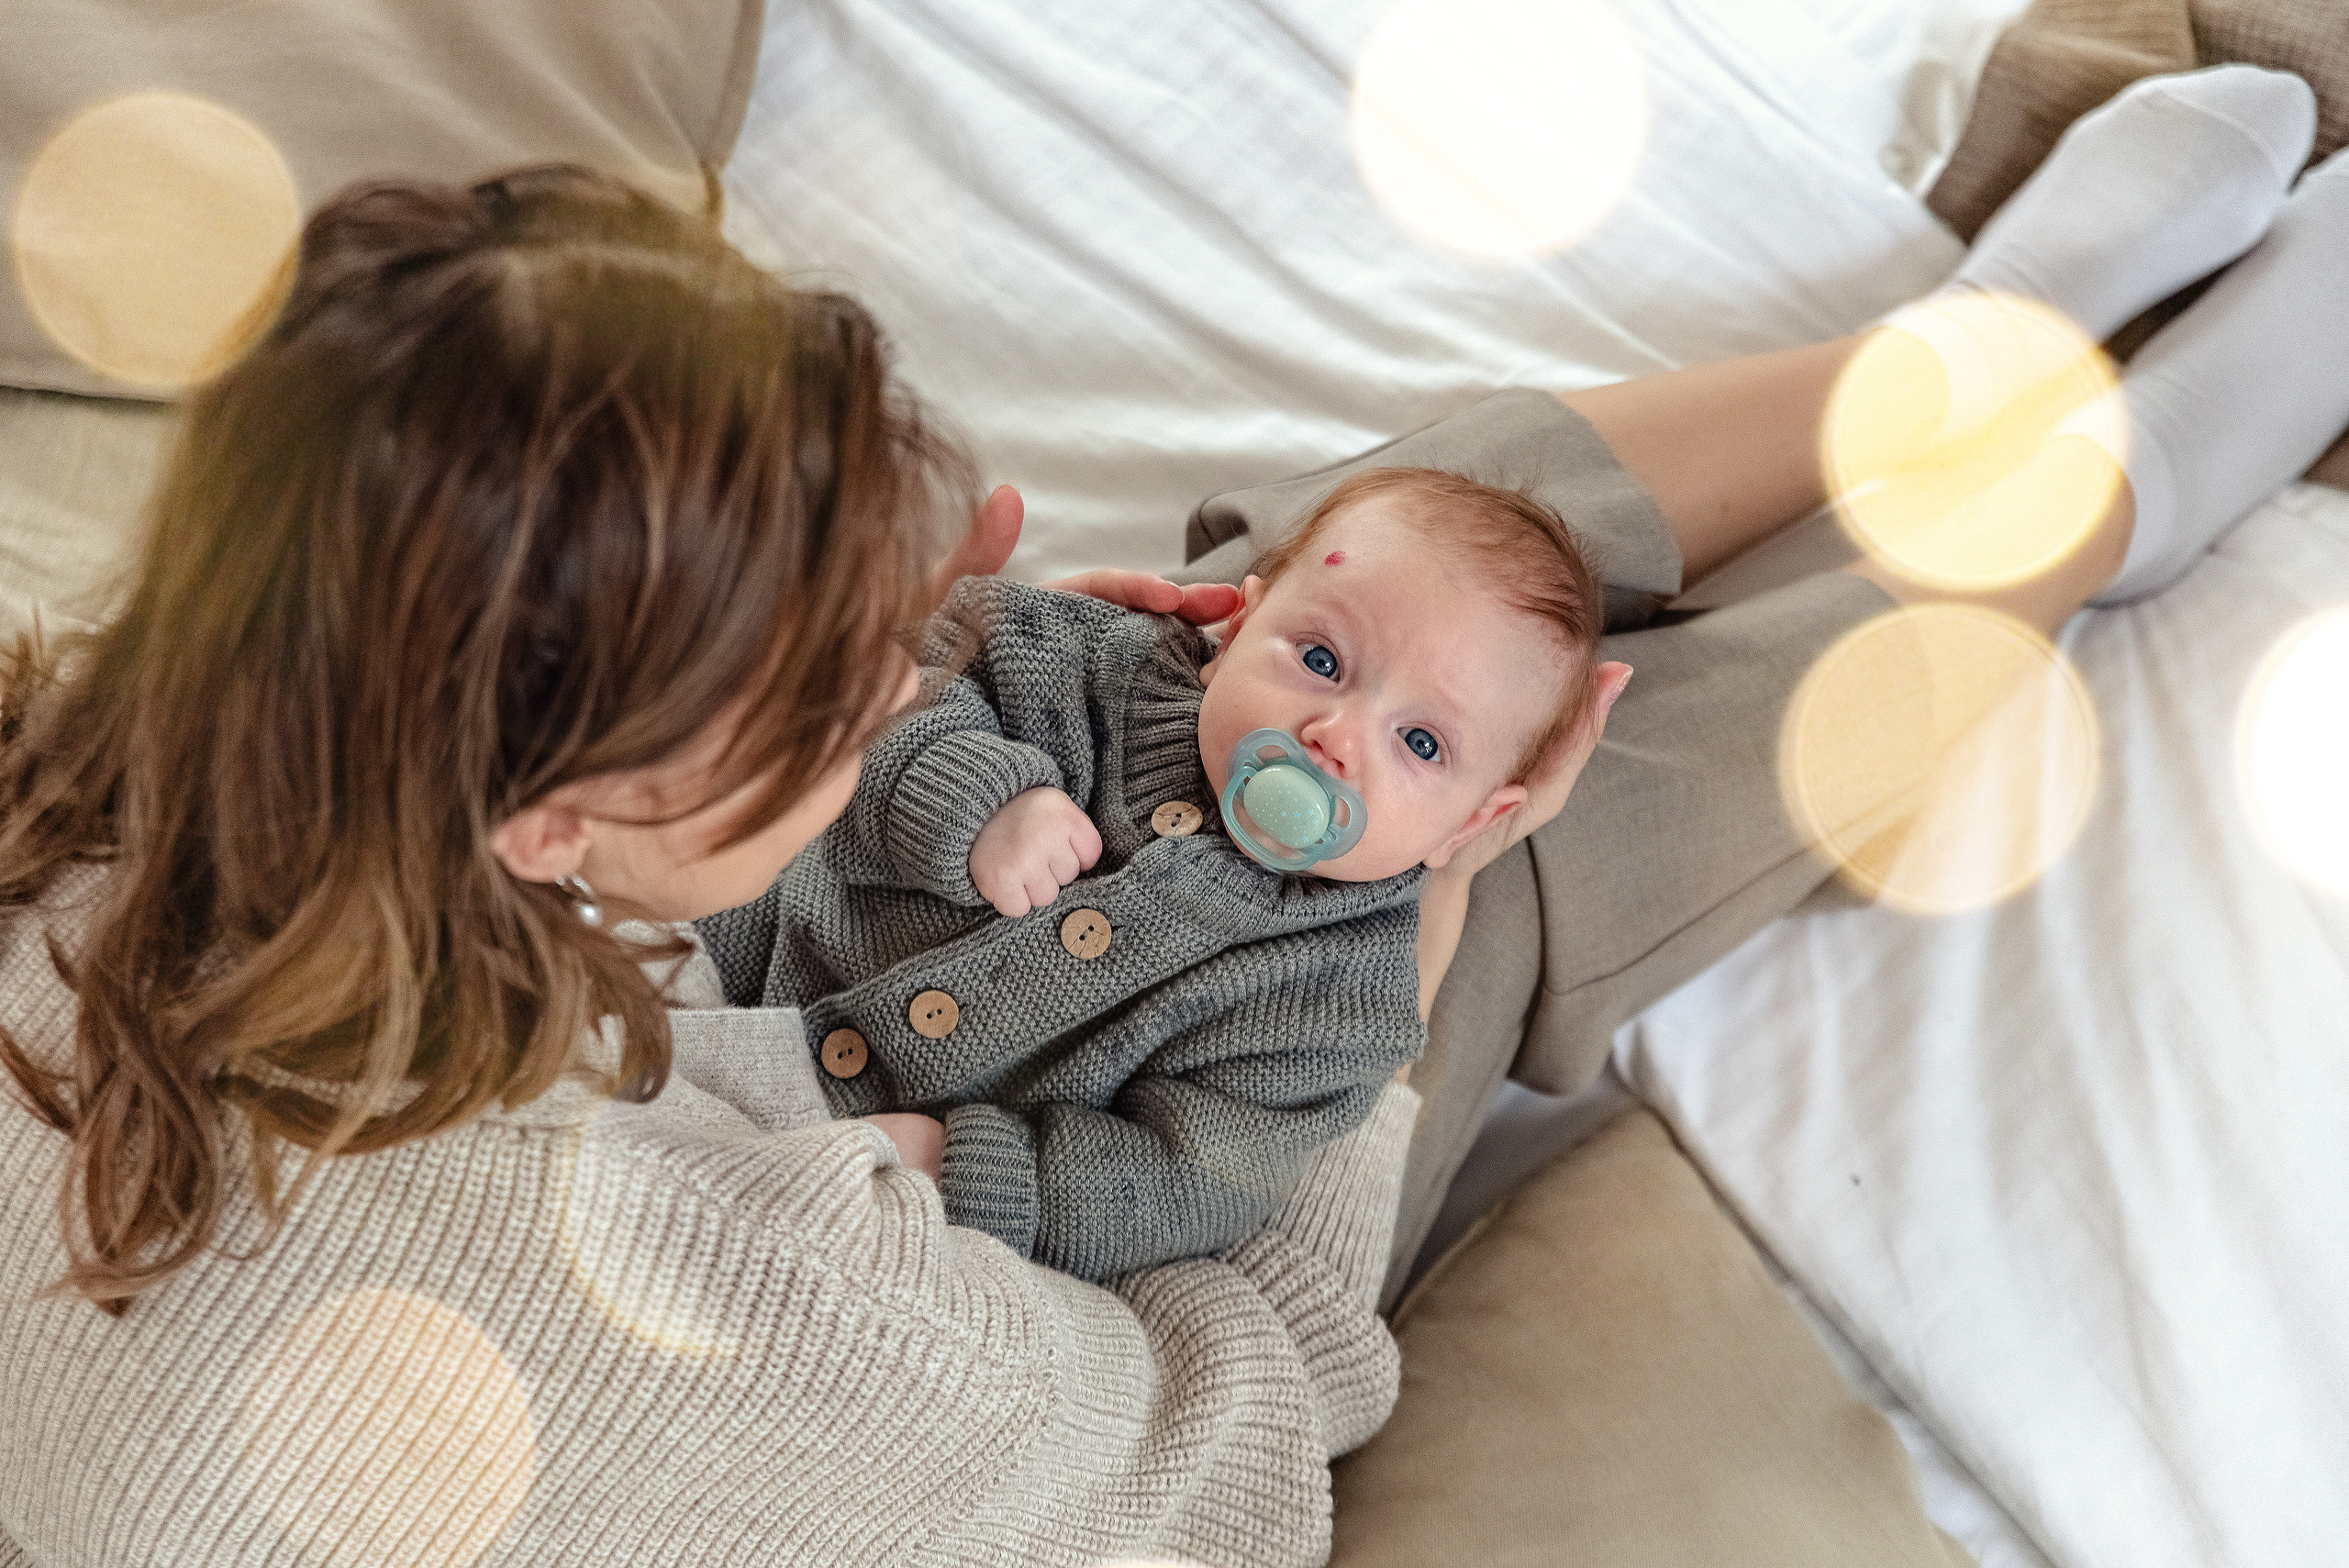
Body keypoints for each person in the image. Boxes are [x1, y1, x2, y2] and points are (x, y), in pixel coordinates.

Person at [3, 57, 2343, 1564]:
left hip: (797, 1005)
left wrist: (1076, 667)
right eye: (848, 666)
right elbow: (1227, 1464)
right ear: (566, 811)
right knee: (1467, 806)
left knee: (1334, 605)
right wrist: (1391, 1023)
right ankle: (2108, 491)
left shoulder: (133, 738)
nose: (940, 628)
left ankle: (1951, 361)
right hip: (1080, 1200)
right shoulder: (710, 1322)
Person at [695, 466, 1600, 1282]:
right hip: (737, 960)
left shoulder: (1343, 1003)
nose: (1336, 738)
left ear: (1473, 824)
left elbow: (1194, 1177)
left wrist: (973, 1169)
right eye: (1320, 660)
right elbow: (898, 686)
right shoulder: (1081, 660)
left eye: (1422, 742)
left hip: (898, 1176)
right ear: (1235, 629)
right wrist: (974, 795)